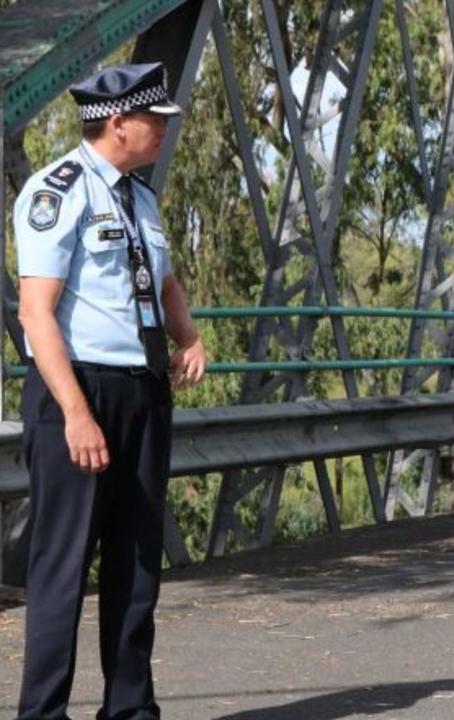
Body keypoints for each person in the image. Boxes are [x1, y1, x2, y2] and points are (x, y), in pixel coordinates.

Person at [14, 62, 206, 720]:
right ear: (119, 122)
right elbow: (36, 313)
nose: (162, 131)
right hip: (80, 391)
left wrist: (190, 339)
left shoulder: (141, 199)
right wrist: (75, 413)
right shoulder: (56, 191)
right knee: (63, 570)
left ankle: (129, 710)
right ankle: (43, 714)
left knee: (136, 566)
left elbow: (166, 282)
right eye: (154, 120)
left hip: (142, 392)